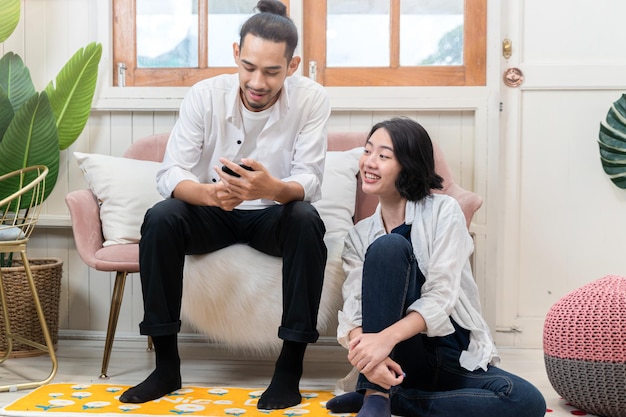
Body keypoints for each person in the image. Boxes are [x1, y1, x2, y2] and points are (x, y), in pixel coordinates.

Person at [119, 0, 330, 410]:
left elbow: (310, 180)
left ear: (292, 65)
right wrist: (209, 194)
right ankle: (166, 368)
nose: (258, 82)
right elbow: (170, 173)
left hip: (273, 215)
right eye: (249, 67)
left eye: (272, 71)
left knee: (306, 219)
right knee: (161, 218)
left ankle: (289, 370)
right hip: (211, 212)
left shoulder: (312, 99)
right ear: (236, 54)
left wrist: (270, 187)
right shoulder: (204, 95)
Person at [326, 117, 546, 417]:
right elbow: (354, 311)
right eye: (367, 151)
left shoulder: (444, 211)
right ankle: (376, 392)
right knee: (388, 247)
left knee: (525, 401)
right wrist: (373, 360)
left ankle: (397, 399)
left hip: (447, 352)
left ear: (408, 165)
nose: (369, 163)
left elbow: (442, 295)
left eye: (383, 156)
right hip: (397, 359)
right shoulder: (359, 234)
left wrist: (384, 339)